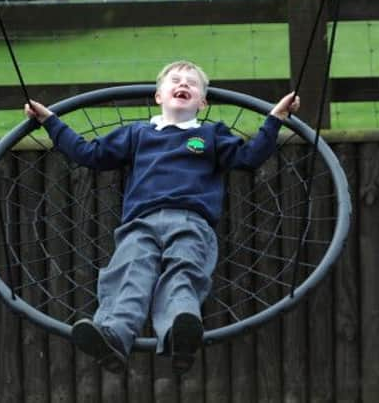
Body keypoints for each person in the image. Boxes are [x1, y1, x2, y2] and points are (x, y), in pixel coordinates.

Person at [25, 60, 300, 376]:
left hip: (191, 221)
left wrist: (276, 118)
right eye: (176, 80)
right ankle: (113, 333)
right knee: (129, 271)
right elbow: (90, 155)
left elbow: (249, 158)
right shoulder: (137, 133)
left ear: (202, 102)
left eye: (192, 83)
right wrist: (50, 121)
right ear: (158, 96)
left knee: (184, 271)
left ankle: (178, 332)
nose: (183, 85)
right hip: (140, 223)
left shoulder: (210, 135)